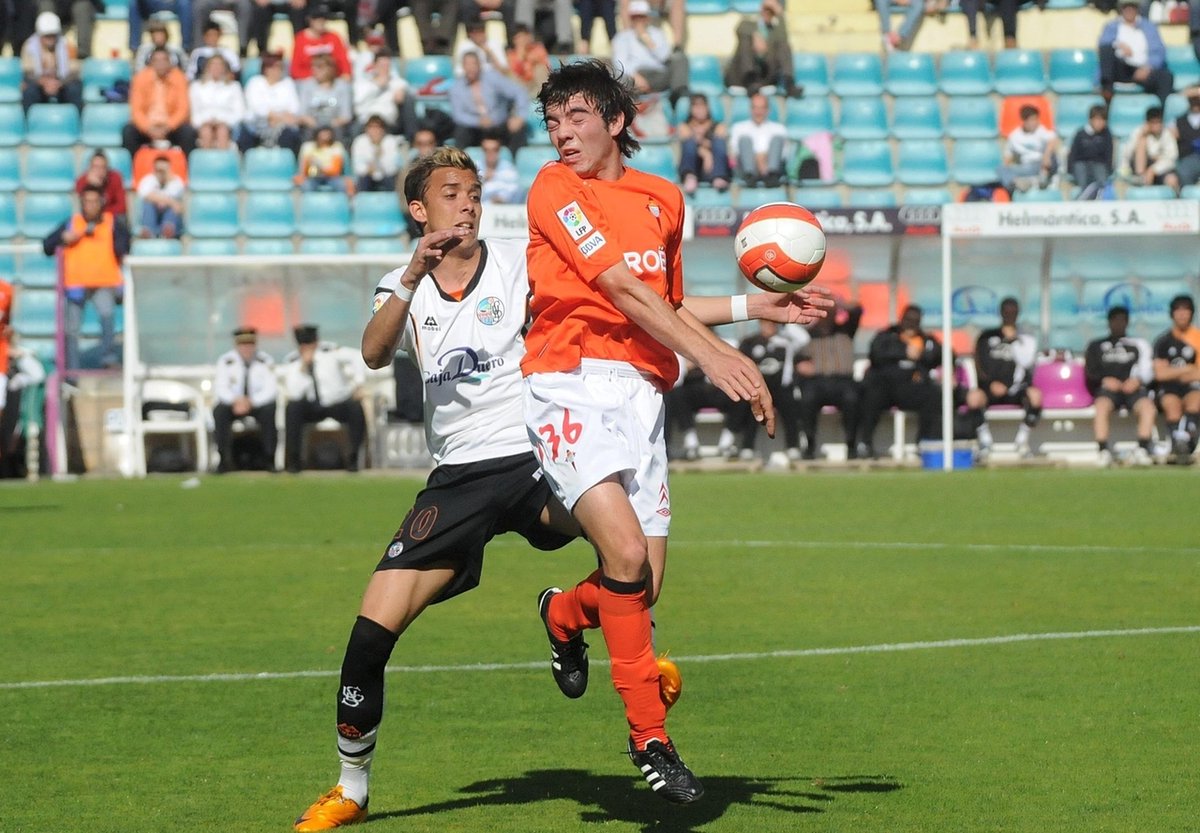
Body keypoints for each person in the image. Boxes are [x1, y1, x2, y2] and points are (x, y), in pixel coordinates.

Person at [290, 144, 830, 830]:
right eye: (451, 194)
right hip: (458, 479)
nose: (468, 203)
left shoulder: (521, 261)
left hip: (539, 454)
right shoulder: (402, 283)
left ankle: (572, 620)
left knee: (638, 569)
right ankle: (351, 788)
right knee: (370, 636)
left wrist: (756, 306)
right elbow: (373, 351)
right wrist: (412, 275)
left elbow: (644, 302)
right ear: (419, 209)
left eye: (473, 192)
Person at [521, 59, 786, 805]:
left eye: (576, 117)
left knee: (639, 585)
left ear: (615, 121)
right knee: (628, 556)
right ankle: (651, 741)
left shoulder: (664, 197)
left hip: (642, 393)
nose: (562, 133)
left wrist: (751, 310)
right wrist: (714, 358)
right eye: (552, 121)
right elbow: (618, 287)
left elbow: (664, 303)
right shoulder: (553, 188)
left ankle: (561, 613)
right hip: (567, 381)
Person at [42, 185, 130, 370]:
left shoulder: (111, 222)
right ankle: (72, 370)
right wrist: (64, 238)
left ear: (101, 203)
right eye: (87, 201)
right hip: (76, 284)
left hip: (104, 282)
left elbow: (125, 245)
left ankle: (108, 359)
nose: (91, 205)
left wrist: (118, 243)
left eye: (95, 201)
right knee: (72, 329)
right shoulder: (72, 223)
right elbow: (47, 245)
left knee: (107, 319)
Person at [856, 304, 941, 460]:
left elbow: (940, 356)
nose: (911, 324)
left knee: (933, 394)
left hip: (911, 388)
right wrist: (903, 351)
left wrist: (921, 355)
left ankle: (925, 442)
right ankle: (865, 443)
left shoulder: (926, 340)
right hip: (886, 387)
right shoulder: (887, 335)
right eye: (908, 320)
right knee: (871, 394)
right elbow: (875, 353)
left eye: (915, 321)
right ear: (902, 319)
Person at [964, 297, 1042, 460]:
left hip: (1016, 389)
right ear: (1001, 313)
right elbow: (978, 363)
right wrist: (990, 383)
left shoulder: (1026, 339)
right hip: (991, 388)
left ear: (1018, 313)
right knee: (973, 398)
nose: (1010, 315)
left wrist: (1015, 341)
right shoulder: (986, 337)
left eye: (1013, 312)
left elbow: (1028, 364)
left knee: (1036, 396)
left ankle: (1022, 441)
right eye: (1007, 312)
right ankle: (985, 442)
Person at [283, 323, 366, 473]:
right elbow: (294, 393)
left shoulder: (330, 351)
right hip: (311, 406)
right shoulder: (293, 360)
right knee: (292, 408)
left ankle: (353, 458)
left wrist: (359, 384)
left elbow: (357, 357)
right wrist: (304, 367)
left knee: (355, 408)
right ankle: (294, 461)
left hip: (336, 403)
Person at [1084, 305, 1156, 467]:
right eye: (1115, 320)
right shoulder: (1096, 345)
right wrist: (1105, 380)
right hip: (1108, 390)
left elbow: (1148, 370)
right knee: (1101, 406)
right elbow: (1090, 371)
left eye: (1122, 320)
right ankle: (1103, 450)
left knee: (1147, 407)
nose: (1118, 323)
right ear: (1109, 322)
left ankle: (1142, 449)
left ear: (1127, 322)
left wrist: (1137, 381)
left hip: (1133, 389)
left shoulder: (1138, 344)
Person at [727, 319, 806, 461]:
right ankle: (747, 447)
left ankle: (793, 446)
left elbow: (804, 339)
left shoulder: (786, 342)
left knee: (790, 411)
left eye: (772, 323)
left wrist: (785, 322)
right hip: (758, 387)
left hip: (781, 386)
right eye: (765, 323)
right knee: (753, 411)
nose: (768, 326)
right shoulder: (750, 342)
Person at [795, 300, 863, 460]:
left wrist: (838, 303)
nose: (827, 318)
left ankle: (851, 444)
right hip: (817, 381)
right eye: (823, 313)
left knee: (852, 398)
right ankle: (809, 443)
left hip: (843, 381)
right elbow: (797, 359)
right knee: (807, 399)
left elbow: (857, 311)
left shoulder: (846, 331)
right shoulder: (808, 335)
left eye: (830, 313)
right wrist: (800, 366)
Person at [212, 326, 279, 473]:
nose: (247, 348)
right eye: (243, 344)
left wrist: (251, 402)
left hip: (256, 403)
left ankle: (270, 459)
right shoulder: (226, 361)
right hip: (234, 404)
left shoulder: (265, 361)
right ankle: (223, 460)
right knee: (219, 411)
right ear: (236, 345)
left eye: (250, 344)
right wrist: (235, 400)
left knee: (270, 410)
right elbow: (221, 388)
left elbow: (271, 389)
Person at [447, 51, 528, 154]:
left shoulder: (492, 78)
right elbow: (458, 115)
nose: (471, 68)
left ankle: (515, 160)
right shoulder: (456, 88)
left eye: (474, 64)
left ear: (479, 65)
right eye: (467, 64)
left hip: (498, 124)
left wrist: (519, 116)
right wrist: (478, 122)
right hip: (475, 128)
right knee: (461, 131)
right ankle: (460, 161)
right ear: (463, 66)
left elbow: (519, 92)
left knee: (517, 129)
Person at [1151, 294, 1200, 465]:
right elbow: (1160, 374)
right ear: (1172, 314)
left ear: (1192, 313)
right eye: (1178, 310)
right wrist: (1187, 369)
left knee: (1195, 400)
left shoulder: (1197, 338)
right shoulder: (1163, 341)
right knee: (1171, 404)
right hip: (1169, 388)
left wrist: (1173, 371)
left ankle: (1186, 444)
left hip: (1193, 386)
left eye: (1186, 310)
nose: (1182, 314)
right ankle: (1178, 445)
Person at [123, 45, 197, 157]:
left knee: (188, 133)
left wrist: (168, 127)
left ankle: (188, 166)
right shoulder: (140, 78)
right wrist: (148, 128)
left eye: (164, 60)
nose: (160, 64)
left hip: (170, 126)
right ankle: (132, 166)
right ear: (151, 63)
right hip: (148, 126)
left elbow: (183, 109)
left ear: (170, 63)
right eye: (156, 61)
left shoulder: (179, 78)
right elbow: (136, 110)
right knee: (129, 132)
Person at [1099, 0, 1174, 105]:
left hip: (1142, 69)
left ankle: (1160, 111)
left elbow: (1159, 51)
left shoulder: (1149, 27)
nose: (1129, 10)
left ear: (1137, 9)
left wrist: (1148, 67)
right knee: (1106, 50)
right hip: (1121, 68)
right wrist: (1118, 45)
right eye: (1126, 7)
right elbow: (1103, 45)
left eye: (1132, 7)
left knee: (1165, 76)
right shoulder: (1112, 26)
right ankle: (1107, 94)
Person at [724, 0, 798, 97]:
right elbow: (740, 29)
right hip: (741, 77)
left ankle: (789, 83)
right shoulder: (748, 23)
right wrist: (756, 35)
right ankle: (749, 78)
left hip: (764, 76)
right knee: (745, 42)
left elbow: (783, 38)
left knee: (783, 45)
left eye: (771, 11)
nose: (767, 13)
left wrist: (779, 14)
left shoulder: (775, 32)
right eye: (766, 9)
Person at [240, 51, 302, 153]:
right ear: (266, 69)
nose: (278, 70)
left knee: (290, 134)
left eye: (280, 67)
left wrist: (279, 118)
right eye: (275, 67)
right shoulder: (255, 82)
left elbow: (294, 108)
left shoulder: (288, 83)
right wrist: (272, 116)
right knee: (246, 133)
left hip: (282, 123)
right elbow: (256, 107)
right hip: (257, 123)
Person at [20, 11, 82, 112]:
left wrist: (59, 83)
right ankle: (29, 119)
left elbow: (74, 71)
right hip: (39, 83)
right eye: (46, 36)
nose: (50, 39)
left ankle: (75, 118)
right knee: (29, 90)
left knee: (74, 89)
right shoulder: (29, 46)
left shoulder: (66, 45)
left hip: (61, 83)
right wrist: (44, 83)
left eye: (53, 35)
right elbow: (28, 72)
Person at [729, 91, 787, 187]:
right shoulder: (738, 128)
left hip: (770, 166)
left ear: (767, 110)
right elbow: (734, 152)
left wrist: (763, 159)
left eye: (761, 108)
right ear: (750, 109)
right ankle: (750, 176)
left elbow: (783, 154)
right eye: (755, 108)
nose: (758, 112)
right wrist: (758, 159)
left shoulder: (779, 129)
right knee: (744, 140)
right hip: (746, 168)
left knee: (777, 139)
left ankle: (771, 175)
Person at [997, 104, 1059, 193]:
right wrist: (1007, 167)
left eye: (1036, 119)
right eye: (1032, 120)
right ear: (1024, 121)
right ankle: (1018, 183)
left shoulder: (1041, 130)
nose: (1035, 122)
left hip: (1040, 164)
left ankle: (1042, 179)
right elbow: (1008, 156)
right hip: (1026, 167)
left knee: (1053, 157)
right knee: (1001, 169)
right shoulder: (1015, 136)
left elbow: (1052, 140)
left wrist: (1046, 155)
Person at [676, 93, 730, 195]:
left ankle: (719, 176)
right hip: (696, 166)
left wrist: (701, 142)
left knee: (719, 142)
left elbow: (719, 143)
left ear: (707, 107)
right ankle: (689, 176)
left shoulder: (718, 126)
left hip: (713, 166)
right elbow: (688, 143)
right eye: (696, 106)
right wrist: (705, 154)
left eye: (702, 106)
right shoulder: (685, 126)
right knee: (689, 143)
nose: (699, 110)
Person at [189, 53, 245, 150]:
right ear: (207, 67)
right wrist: (206, 121)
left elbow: (240, 112)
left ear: (225, 68)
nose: (216, 68)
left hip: (227, 124)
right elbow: (193, 112)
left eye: (219, 65)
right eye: (213, 65)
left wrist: (222, 121)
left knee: (222, 131)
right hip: (203, 123)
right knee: (206, 131)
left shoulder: (234, 87)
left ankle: (223, 158)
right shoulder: (196, 87)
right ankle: (206, 157)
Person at [352, 49, 414, 136]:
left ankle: (411, 137)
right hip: (366, 122)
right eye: (382, 65)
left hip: (387, 123)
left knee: (408, 99)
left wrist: (400, 93)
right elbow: (358, 105)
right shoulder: (363, 84)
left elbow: (402, 92)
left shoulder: (396, 82)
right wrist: (377, 86)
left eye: (387, 65)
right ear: (374, 65)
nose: (385, 68)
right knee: (355, 129)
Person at [297, 53, 353, 142]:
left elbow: (346, 116)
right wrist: (317, 126)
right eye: (312, 66)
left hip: (335, 126)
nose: (314, 70)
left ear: (330, 68)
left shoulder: (342, 86)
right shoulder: (306, 85)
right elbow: (302, 114)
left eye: (319, 67)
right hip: (312, 126)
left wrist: (329, 127)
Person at [1123, 105, 1179, 193]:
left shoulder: (1167, 134)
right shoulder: (1138, 132)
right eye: (1153, 123)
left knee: (1172, 180)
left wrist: (1153, 170)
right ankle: (1141, 179)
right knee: (1141, 144)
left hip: (1160, 169)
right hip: (1139, 169)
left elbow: (1172, 158)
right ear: (1147, 123)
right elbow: (1127, 154)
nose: (1157, 126)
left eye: (1159, 122)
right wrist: (1142, 136)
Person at [291, 5, 351, 81]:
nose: (321, 21)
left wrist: (346, 73)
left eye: (323, 18)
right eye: (317, 18)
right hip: (309, 80)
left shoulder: (333, 37)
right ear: (309, 20)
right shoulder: (300, 39)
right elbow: (295, 69)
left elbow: (343, 61)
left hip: (332, 79)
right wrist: (318, 75)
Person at [135, 152, 186, 238]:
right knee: (147, 204)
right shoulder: (148, 180)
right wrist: (170, 202)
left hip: (169, 216)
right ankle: (148, 231)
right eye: (158, 170)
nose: (161, 173)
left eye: (163, 170)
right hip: (153, 213)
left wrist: (166, 201)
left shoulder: (176, 181)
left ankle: (168, 230)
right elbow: (146, 195)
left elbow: (177, 202)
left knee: (173, 207)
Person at [1067, 104, 1115, 196]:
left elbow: (1109, 155)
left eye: (1103, 120)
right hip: (1081, 164)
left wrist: (1108, 169)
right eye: (1097, 119)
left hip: (1099, 164)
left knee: (1101, 177)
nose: (1100, 123)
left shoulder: (1106, 135)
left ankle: (1100, 196)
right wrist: (1070, 170)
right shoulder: (1080, 134)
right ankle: (1084, 197)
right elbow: (1073, 154)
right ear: (1090, 120)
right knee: (1081, 173)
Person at [350, 114, 403, 193]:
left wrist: (380, 157)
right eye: (371, 127)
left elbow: (392, 169)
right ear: (366, 129)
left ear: (383, 129)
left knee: (394, 180)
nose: (375, 131)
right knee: (363, 180)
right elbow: (358, 168)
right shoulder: (359, 142)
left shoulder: (390, 141)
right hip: (366, 177)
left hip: (387, 177)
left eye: (378, 127)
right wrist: (370, 168)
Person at [75, 149, 128, 220]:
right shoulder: (82, 182)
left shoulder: (115, 178)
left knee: (121, 218)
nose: (99, 171)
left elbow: (122, 207)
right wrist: (92, 186)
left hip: (110, 218)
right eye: (96, 167)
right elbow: (84, 207)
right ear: (90, 168)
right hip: (90, 218)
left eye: (103, 167)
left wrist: (101, 213)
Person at [296, 125, 350, 191]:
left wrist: (320, 167)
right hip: (312, 177)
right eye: (323, 133)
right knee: (305, 186)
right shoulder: (308, 146)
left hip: (332, 177)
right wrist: (301, 176)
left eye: (327, 133)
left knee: (342, 186)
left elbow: (336, 170)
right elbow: (303, 166)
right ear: (317, 134)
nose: (325, 135)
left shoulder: (336, 146)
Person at [130, 0, 196, 53]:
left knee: (185, 3)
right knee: (134, 3)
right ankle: (135, 48)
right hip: (152, 3)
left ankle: (186, 48)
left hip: (175, 2)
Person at [186, 16, 241, 80]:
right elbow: (190, 74)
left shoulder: (229, 53)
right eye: (209, 35)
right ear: (204, 36)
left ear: (219, 35)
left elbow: (236, 71)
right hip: (203, 83)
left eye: (215, 35)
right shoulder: (197, 53)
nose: (212, 38)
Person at [478, 127, 521, 203]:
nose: (490, 153)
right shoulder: (475, 168)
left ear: (499, 150)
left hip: (504, 206)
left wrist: (502, 198)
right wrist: (483, 179)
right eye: (486, 150)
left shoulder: (508, 168)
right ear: (482, 150)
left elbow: (516, 190)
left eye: (494, 149)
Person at [506, 22, 550, 95]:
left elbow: (546, 66)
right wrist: (521, 56)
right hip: (521, 85)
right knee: (510, 74)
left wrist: (531, 59)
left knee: (540, 68)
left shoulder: (538, 48)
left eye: (524, 36)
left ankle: (544, 95)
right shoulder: (511, 54)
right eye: (519, 38)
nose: (522, 40)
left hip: (536, 84)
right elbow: (514, 73)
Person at [1172, 88, 1200, 189]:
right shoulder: (1178, 121)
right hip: (1187, 158)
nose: (1195, 102)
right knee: (1184, 173)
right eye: (1192, 99)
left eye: (1197, 99)